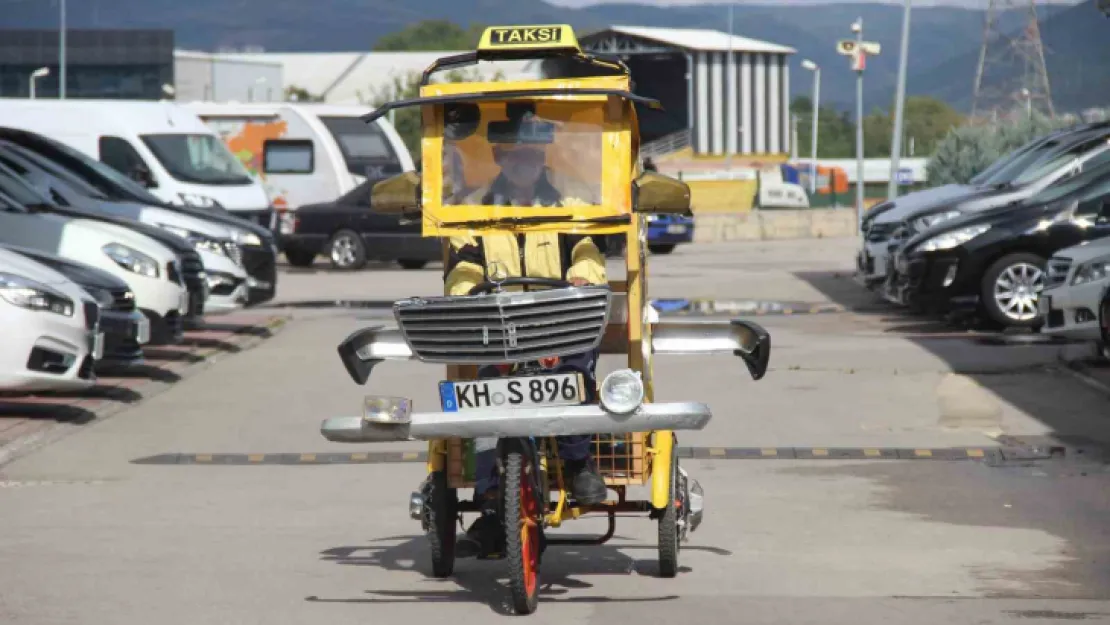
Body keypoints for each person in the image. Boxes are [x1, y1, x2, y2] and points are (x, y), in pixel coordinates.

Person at [444, 122, 609, 559]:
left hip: (558, 318)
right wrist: (465, 292)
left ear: (543, 159)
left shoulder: (570, 203)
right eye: (514, 154)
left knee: (575, 371)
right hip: (499, 322)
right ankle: (490, 496)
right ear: (498, 158)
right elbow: (463, 263)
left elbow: (589, 249)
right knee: (481, 395)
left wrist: (581, 277)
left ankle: (578, 466)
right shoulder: (473, 207)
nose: (524, 162)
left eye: (532, 155)